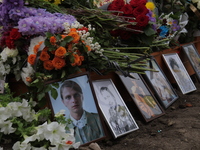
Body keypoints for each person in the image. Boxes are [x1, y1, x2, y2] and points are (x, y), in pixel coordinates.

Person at [60, 80, 104, 144]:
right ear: (63, 102)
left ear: (82, 97)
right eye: (68, 97)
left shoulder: (99, 119)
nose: (74, 100)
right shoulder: (62, 130)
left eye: (76, 95)